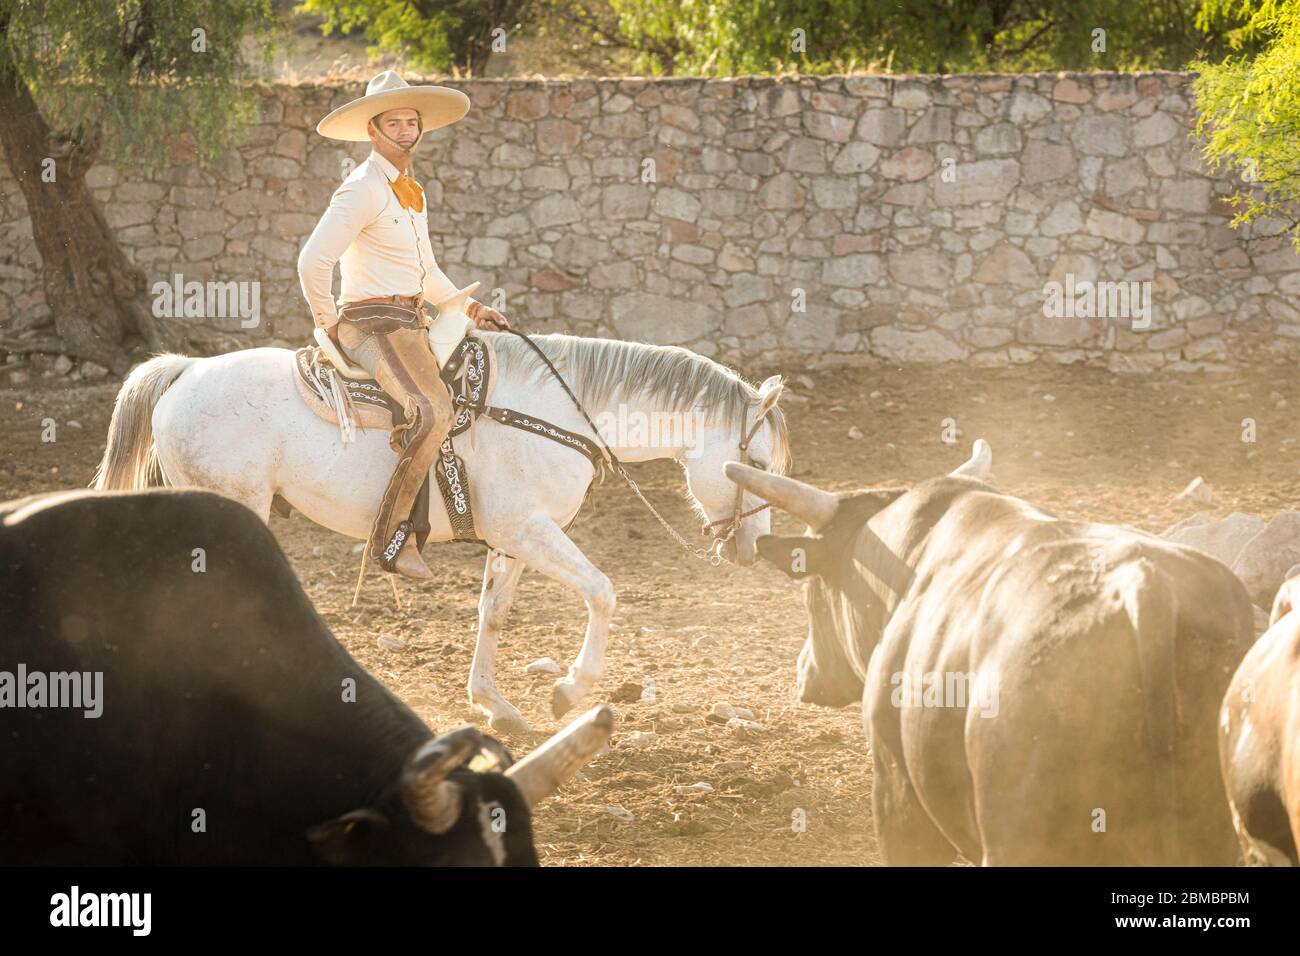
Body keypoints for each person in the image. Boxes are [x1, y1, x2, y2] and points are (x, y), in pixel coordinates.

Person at [298, 70, 508, 580]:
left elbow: (427, 273)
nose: (406, 131)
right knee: (434, 410)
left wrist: (467, 307)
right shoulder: (362, 190)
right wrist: (328, 327)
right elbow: (311, 262)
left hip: (412, 318)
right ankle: (391, 539)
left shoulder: (411, 192)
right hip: (373, 323)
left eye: (412, 122)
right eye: (394, 122)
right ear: (373, 131)